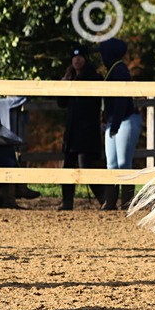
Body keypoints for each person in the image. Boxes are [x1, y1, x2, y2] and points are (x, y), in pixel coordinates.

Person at [56, 47, 106, 210]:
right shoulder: (69, 77)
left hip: (87, 129)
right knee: (68, 166)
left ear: (85, 59)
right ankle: (67, 202)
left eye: (80, 57)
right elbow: (61, 103)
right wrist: (64, 85)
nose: (77, 60)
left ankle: (103, 199)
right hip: (72, 130)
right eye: (74, 57)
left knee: (87, 166)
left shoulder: (94, 77)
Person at [99, 38, 141, 210]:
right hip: (114, 121)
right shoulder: (112, 69)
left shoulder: (119, 69)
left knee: (124, 162)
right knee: (111, 163)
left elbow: (121, 100)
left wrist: (114, 123)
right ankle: (110, 201)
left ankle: (126, 202)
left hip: (125, 120)